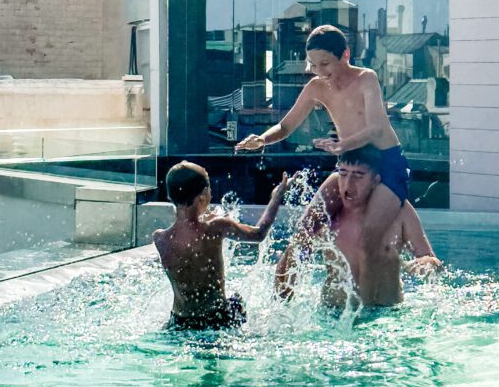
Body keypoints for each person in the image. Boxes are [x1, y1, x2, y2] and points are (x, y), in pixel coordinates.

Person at [236, 23, 414, 242]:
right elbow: (285, 127)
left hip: (386, 163)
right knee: (306, 228)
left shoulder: (366, 78)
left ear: (345, 54)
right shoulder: (316, 87)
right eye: (312, 64)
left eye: (325, 64)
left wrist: (342, 145)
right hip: (350, 164)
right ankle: (297, 275)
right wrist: (262, 139)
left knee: (368, 235)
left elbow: (376, 129)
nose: (319, 71)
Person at [275, 146, 441, 308]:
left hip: (387, 316)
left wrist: (426, 264)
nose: (348, 183)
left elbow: (429, 258)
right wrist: (282, 307)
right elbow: (294, 250)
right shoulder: (328, 215)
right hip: (333, 315)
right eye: (343, 173)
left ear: (376, 180)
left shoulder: (398, 211)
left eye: (358, 175)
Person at [154, 160, 290, 330]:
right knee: (237, 302)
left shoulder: (160, 239)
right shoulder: (217, 227)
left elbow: (186, 222)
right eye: (209, 187)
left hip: (180, 322)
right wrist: (276, 197)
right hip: (218, 319)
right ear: (203, 195)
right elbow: (259, 233)